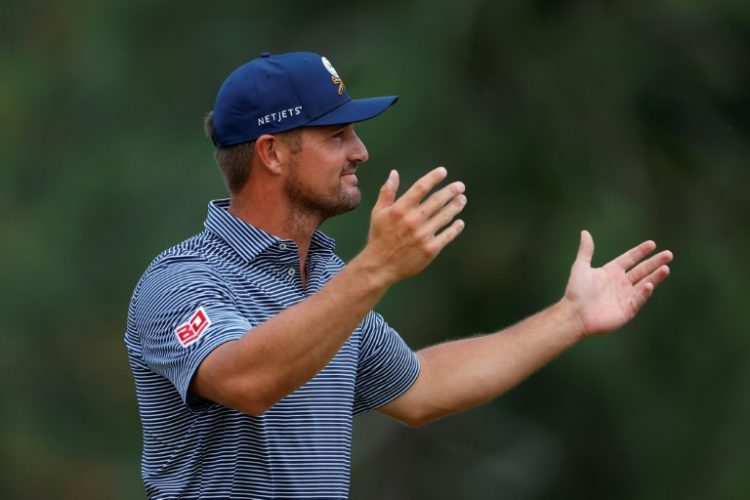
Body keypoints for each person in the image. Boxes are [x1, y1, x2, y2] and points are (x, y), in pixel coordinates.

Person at [125, 51, 673, 499]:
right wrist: (377, 268)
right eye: (336, 135)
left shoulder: (326, 280)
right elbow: (247, 382)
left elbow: (423, 388)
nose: (359, 152)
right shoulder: (179, 281)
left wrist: (570, 317)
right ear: (271, 153)